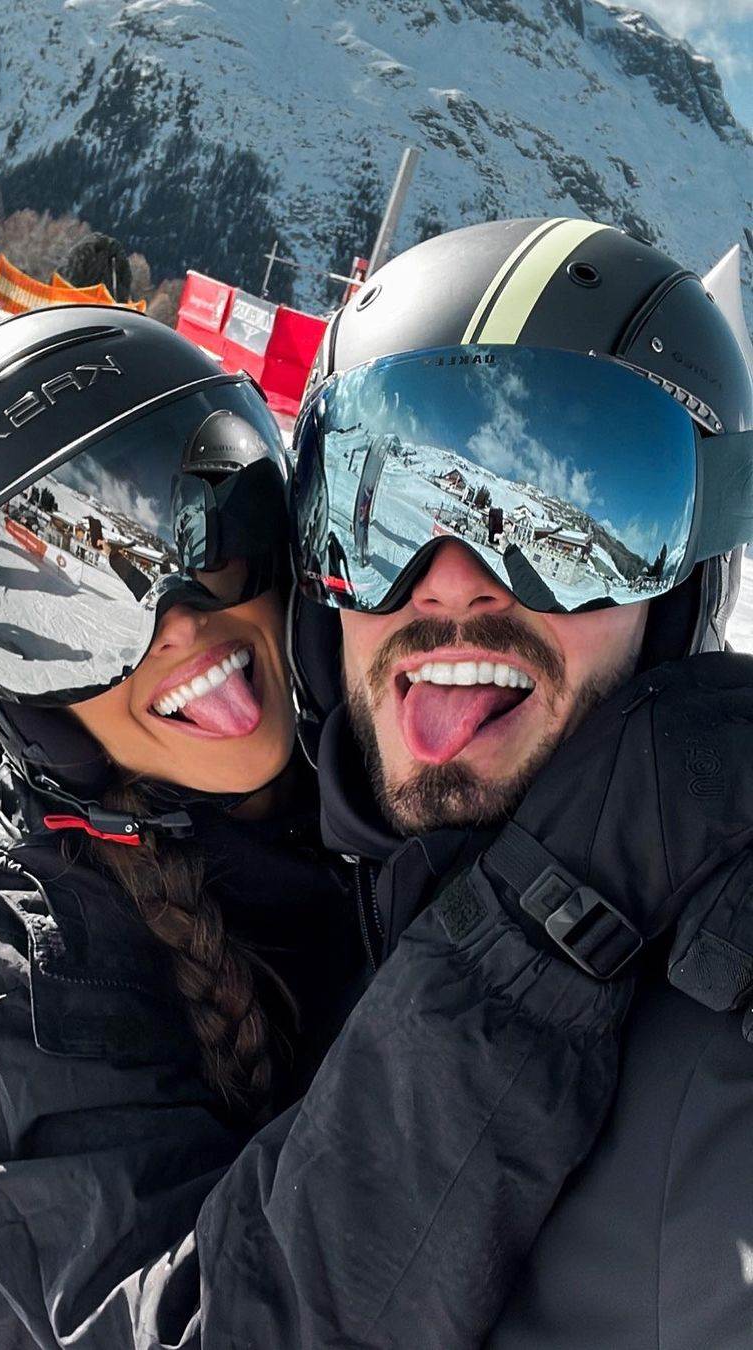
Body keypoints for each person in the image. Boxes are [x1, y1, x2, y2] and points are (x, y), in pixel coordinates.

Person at [0, 306, 653, 1349]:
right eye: (61, 623)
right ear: (20, 700)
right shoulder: (20, 969)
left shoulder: (389, 739)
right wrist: (540, 938)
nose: (177, 623)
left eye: (207, 533)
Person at [290, 216, 753, 1346]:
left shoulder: (713, 1051)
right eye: (387, 508)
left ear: (682, 596)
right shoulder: (303, 900)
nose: (449, 585)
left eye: (573, 527)